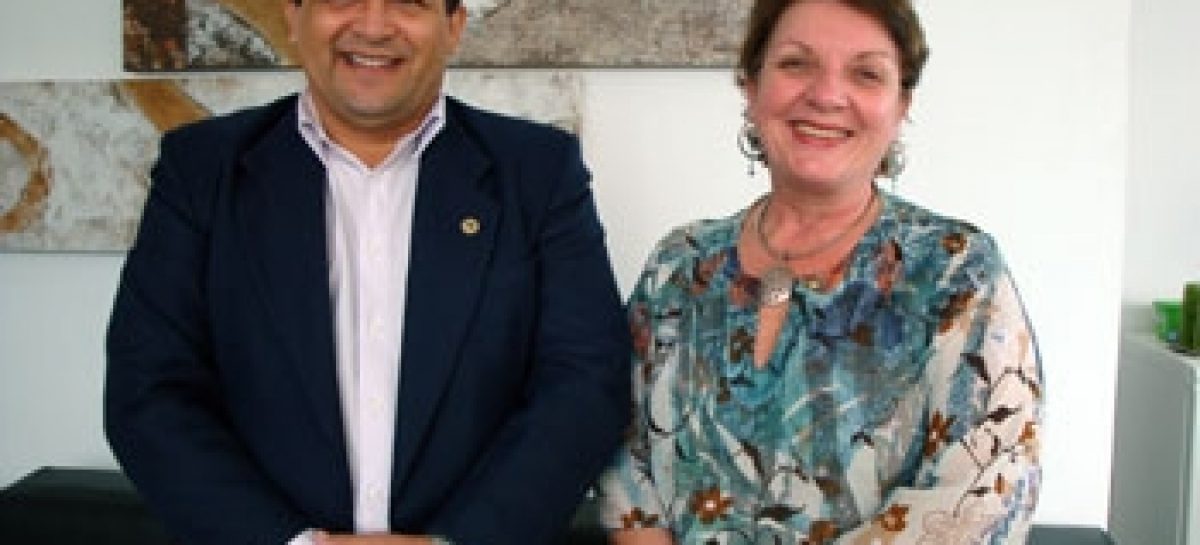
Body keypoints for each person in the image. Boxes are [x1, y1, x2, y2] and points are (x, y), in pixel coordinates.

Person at [103, 0, 630, 544]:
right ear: (293, 17)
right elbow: (149, 392)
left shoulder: (538, 171)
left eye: (408, 3)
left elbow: (584, 384)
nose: (374, 26)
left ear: (453, 27)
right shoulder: (201, 170)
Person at [596, 0, 1043, 543]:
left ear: (901, 105)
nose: (827, 95)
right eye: (796, 64)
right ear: (751, 85)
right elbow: (627, 468)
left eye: (866, 73)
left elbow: (978, 502)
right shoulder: (679, 266)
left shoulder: (956, 270)